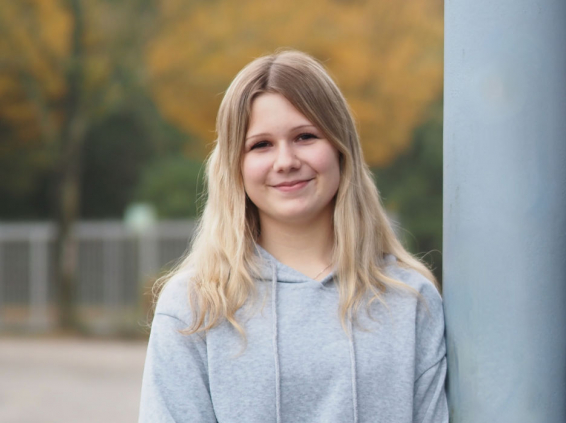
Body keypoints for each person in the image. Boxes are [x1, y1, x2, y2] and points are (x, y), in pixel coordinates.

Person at [139, 50, 447, 423]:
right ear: (234, 166)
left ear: (340, 148)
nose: (285, 161)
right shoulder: (194, 307)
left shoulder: (411, 300)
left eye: (304, 136)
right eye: (261, 145)